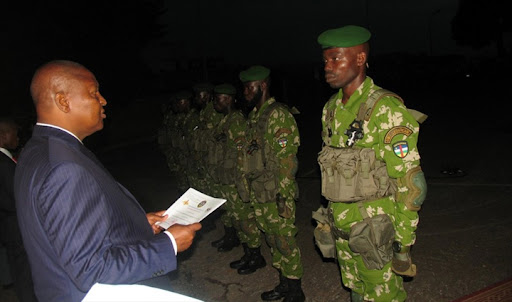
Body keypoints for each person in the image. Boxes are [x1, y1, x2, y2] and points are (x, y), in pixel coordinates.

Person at [14, 60, 202, 302]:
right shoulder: (65, 166)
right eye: (93, 93)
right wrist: (169, 244)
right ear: (63, 101)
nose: (103, 100)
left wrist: (137, 224)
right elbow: (90, 268)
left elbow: (60, 229)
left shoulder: (38, 149)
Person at [316, 25, 427, 301]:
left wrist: (402, 244)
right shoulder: (331, 109)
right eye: (325, 60)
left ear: (360, 59)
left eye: (336, 59)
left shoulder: (386, 109)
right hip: (344, 231)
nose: (328, 67)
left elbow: (412, 184)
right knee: (355, 292)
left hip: (376, 235)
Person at [238, 66, 305, 301]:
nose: (245, 92)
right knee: (273, 240)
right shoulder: (255, 117)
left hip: (276, 193)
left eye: (250, 87)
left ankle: (296, 291)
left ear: (263, 86)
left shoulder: (278, 115)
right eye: (245, 87)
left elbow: (287, 160)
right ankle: (284, 283)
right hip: (261, 192)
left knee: (285, 241)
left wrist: (283, 197)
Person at [208, 83, 265, 273]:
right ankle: (248, 253)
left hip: (236, 181)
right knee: (237, 219)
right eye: (216, 98)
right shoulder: (224, 120)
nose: (217, 102)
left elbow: (242, 156)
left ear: (231, 100)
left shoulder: (236, 121)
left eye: (221, 98)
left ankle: (256, 256)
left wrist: (243, 184)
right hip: (227, 180)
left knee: (245, 220)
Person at [0, 117, 37, 302]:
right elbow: (13, 199)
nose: (17, 138)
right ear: (4, 135)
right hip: (16, 227)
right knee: (24, 274)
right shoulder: (4, 164)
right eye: (14, 133)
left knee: (19, 270)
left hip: (10, 227)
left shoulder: (7, 161)